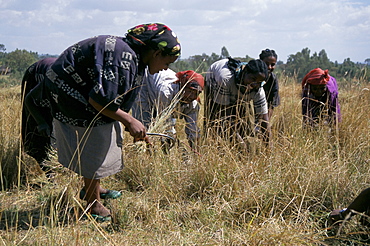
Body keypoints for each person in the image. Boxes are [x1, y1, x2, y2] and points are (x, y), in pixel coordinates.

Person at [28, 23, 181, 221]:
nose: (165, 69)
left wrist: (129, 123)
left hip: (81, 92)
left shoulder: (134, 59)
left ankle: (94, 188)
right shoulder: (123, 59)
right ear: (156, 53)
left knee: (105, 132)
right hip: (69, 94)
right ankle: (92, 203)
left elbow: (117, 98)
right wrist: (129, 120)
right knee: (95, 142)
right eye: (167, 63)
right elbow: (98, 101)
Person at [204, 57, 271, 149]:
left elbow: (264, 122)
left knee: (244, 124)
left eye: (259, 82)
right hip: (214, 81)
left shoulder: (258, 91)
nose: (254, 84)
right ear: (245, 72)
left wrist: (268, 149)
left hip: (237, 89)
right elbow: (224, 116)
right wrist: (240, 144)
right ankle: (213, 147)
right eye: (252, 79)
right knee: (213, 121)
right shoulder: (225, 80)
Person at [131, 69, 204, 152]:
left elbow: (193, 130)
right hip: (145, 87)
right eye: (190, 91)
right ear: (182, 86)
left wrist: (196, 152)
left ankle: (163, 155)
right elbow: (165, 124)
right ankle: (142, 155)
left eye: (196, 93)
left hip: (159, 95)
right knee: (144, 127)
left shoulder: (193, 104)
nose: (192, 96)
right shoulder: (166, 93)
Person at [22, 57, 57, 173]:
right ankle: (48, 171)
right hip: (36, 76)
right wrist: (41, 122)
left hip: (55, 91)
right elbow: (29, 100)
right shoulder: (55, 79)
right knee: (39, 132)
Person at [259, 49, 280, 120]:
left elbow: (271, 105)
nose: (269, 67)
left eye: (272, 65)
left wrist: (265, 124)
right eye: (266, 64)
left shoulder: (273, 80)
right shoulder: (251, 76)